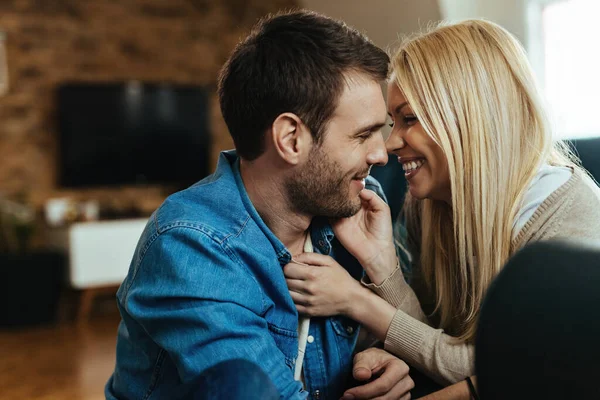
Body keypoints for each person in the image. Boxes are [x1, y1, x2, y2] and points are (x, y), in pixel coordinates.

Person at [105, 10, 415, 400]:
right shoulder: (191, 248)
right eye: (363, 134)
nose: (380, 153)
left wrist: (382, 361)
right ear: (290, 139)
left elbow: (379, 351)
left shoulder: (354, 205)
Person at [283, 19, 600, 399]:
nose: (391, 144)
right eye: (392, 121)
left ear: (469, 118)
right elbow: (432, 343)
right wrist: (382, 265)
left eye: (410, 118)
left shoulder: (565, 210)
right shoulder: (428, 203)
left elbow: (513, 368)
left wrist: (357, 301)